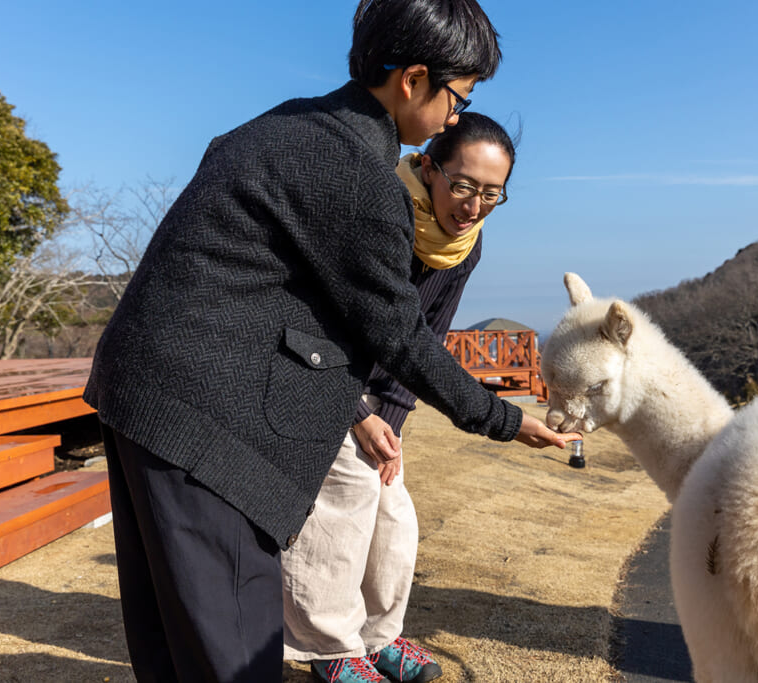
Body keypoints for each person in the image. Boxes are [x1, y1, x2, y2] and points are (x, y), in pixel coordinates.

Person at [82, 1, 578, 682]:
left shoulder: (286, 125)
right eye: (458, 97)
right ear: (411, 80)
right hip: (207, 415)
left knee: (174, 642)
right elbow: (401, 333)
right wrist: (503, 419)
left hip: (144, 390)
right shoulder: (358, 175)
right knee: (235, 653)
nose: (456, 116)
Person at [282, 112, 517, 683]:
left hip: (375, 388)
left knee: (394, 508)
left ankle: (376, 637)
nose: (473, 206)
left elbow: (425, 339)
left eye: (492, 193)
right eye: (462, 186)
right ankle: (327, 648)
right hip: (312, 369)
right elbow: (319, 320)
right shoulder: (377, 207)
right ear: (429, 168)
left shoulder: (465, 245)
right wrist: (358, 415)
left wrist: (390, 421)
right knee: (349, 490)